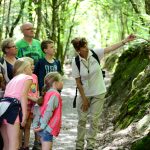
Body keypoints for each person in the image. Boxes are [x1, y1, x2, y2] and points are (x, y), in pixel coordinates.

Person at [71, 34, 136, 150]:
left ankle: (90, 146)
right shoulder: (75, 61)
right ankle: (79, 146)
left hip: (99, 92)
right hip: (84, 94)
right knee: (82, 120)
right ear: (78, 50)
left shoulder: (95, 53)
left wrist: (125, 40)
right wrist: (84, 99)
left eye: (86, 45)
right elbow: (78, 83)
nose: (86, 48)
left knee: (94, 120)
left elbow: (110, 48)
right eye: (83, 47)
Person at [0, 58, 33, 150]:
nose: (32, 68)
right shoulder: (28, 78)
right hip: (12, 109)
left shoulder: (13, 79)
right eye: (30, 66)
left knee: (6, 144)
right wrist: (25, 116)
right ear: (25, 68)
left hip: (2, 107)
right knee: (14, 144)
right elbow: (23, 96)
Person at [32, 72, 63, 150]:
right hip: (46, 127)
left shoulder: (46, 93)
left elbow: (37, 109)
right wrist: (42, 126)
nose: (63, 83)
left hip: (42, 126)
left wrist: (36, 124)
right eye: (61, 80)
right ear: (55, 83)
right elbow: (48, 111)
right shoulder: (55, 94)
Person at [19, 57, 40, 150]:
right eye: (31, 65)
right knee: (23, 126)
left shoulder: (35, 76)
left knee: (31, 124)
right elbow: (22, 94)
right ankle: (21, 145)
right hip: (25, 105)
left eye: (33, 64)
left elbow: (37, 90)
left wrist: (37, 98)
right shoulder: (23, 78)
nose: (33, 66)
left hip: (34, 105)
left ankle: (28, 145)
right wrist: (33, 99)